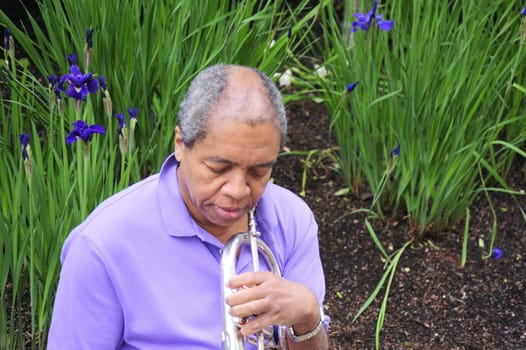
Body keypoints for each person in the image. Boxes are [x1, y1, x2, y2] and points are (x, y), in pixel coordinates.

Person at [47, 63, 329, 349]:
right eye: (219, 168)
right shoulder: (102, 245)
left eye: (258, 172)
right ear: (180, 144)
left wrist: (307, 315)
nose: (238, 190)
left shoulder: (291, 218)